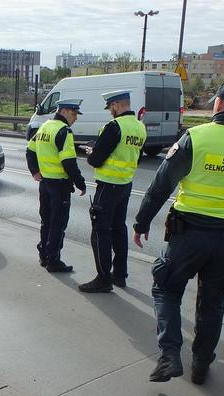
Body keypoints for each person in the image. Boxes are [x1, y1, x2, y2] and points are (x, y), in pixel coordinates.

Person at [133, 79, 224, 384]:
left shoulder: (196, 138)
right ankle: (201, 365)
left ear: (217, 103)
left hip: (188, 236)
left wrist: (141, 222)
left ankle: (170, 355)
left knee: (166, 288)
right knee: (213, 303)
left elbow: (162, 185)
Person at [79, 90, 147, 292]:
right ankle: (119, 274)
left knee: (100, 232)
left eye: (110, 107)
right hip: (125, 184)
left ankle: (103, 279)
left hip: (107, 185)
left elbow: (96, 160)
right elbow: (137, 157)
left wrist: (92, 152)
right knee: (119, 229)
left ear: (116, 105)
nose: (110, 111)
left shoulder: (114, 127)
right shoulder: (139, 127)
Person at [26, 98, 87, 273]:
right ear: (65, 111)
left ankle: (44, 255)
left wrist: (34, 171)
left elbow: (30, 150)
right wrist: (81, 183)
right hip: (59, 186)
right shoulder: (64, 131)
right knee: (58, 224)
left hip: (45, 184)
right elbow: (68, 162)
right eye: (74, 114)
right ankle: (53, 261)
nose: (75, 118)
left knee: (46, 222)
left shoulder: (45, 127)